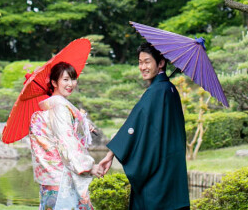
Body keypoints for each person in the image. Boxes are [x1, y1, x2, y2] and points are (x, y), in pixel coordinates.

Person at [97, 42, 190, 210]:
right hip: (171, 171)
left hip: (157, 176)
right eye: (140, 62)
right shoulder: (170, 89)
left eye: (147, 61)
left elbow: (134, 126)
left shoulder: (156, 92)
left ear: (160, 63)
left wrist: (110, 155)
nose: (142, 67)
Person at [30, 61, 103, 210]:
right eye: (65, 79)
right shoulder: (59, 108)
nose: (71, 84)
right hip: (63, 180)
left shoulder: (53, 107)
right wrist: (89, 166)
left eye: (73, 79)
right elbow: (67, 142)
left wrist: (80, 127)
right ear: (54, 82)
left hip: (51, 179)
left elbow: (58, 135)